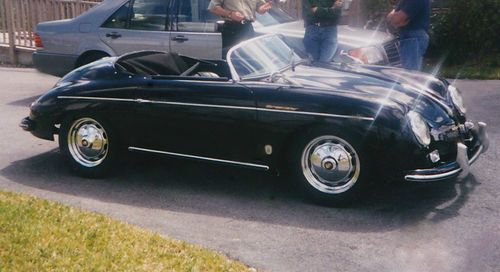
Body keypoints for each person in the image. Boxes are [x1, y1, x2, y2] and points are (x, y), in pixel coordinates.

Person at [208, 0, 273, 57]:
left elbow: (259, 8)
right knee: (233, 58)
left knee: (250, 58)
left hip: (248, 28)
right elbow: (212, 8)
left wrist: (263, 9)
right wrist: (230, 14)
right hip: (232, 28)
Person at [387, 0, 431, 70]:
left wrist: (393, 16)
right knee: (410, 73)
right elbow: (394, 19)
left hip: (412, 38)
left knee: (410, 74)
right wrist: (393, 16)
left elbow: (396, 19)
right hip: (411, 37)